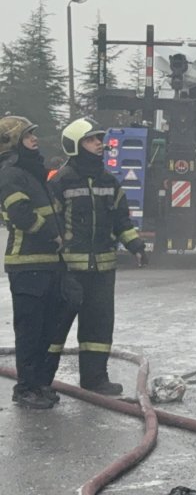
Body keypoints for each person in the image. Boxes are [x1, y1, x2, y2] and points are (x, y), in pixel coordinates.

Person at [46, 117, 147, 395]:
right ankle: (42, 381)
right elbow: (51, 223)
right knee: (55, 329)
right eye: (91, 140)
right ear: (76, 145)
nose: (99, 144)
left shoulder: (108, 181)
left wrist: (136, 246)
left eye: (99, 139)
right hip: (69, 270)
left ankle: (95, 379)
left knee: (98, 328)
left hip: (103, 270)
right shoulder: (60, 181)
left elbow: (121, 221)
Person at [0, 116, 67, 409]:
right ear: (14, 141)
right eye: (28, 136)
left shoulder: (33, 173)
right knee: (29, 332)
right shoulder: (11, 174)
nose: (35, 139)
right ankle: (25, 389)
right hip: (26, 265)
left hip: (48, 263)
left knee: (45, 330)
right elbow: (21, 214)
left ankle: (39, 385)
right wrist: (53, 234)